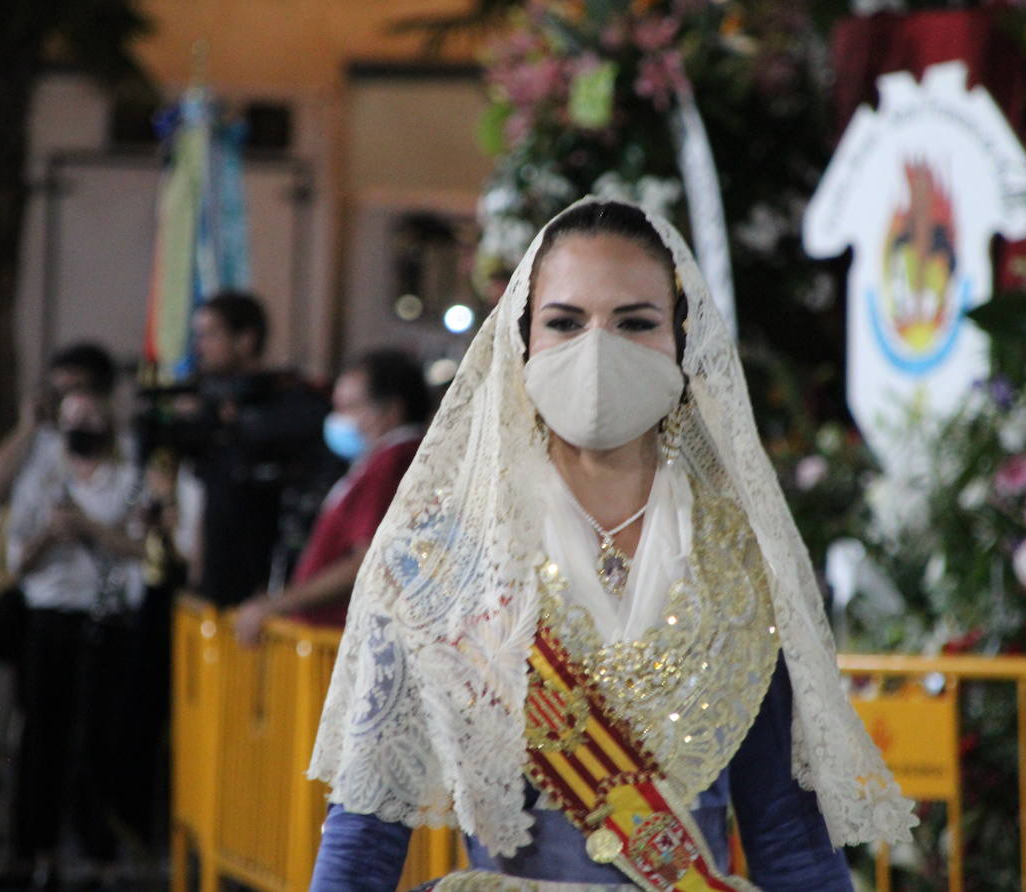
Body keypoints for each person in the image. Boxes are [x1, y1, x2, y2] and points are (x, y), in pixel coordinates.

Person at [307, 199, 914, 891]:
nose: (597, 348)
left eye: (635, 323)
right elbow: (363, 838)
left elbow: (789, 836)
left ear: (682, 340)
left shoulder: (741, 563)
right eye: (565, 323)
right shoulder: (444, 564)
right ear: (521, 341)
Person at [4, 387, 150, 889]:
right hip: (49, 620)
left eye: (91, 414)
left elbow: (146, 549)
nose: (81, 424)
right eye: (72, 416)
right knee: (40, 737)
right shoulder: (39, 481)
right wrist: (48, 533)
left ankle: (98, 856)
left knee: (99, 742)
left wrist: (87, 526)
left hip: (105, 623)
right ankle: (32, 852)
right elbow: (17, 561)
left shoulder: (130, 481)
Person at [233, 349, 430, 642]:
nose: (336, 419)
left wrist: (279, 604)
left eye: (349, 407)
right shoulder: (381, 461)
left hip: (339, 640)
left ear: (390, 411)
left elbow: (370, 559)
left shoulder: (392, 463)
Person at [179, 291, 331, 608]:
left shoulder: (292, 406)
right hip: (216, 589)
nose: (200, 346)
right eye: (199, 335)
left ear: (246, 339)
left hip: (269, 588)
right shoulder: (210, 410)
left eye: (211, 334)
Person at [0, 340, 118, 507]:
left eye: (76, 388)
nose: (67, 400)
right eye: (59, 392)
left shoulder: (121, 450)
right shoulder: (40, 440)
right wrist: (26, 427)